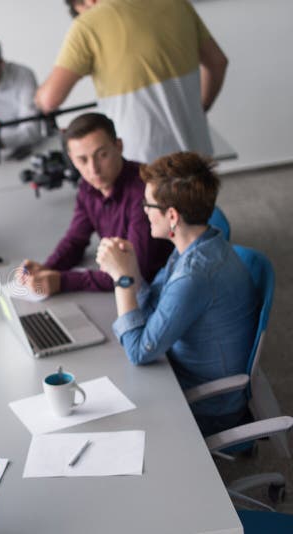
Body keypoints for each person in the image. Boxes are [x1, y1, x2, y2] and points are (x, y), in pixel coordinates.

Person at [96, 152, 258, 437]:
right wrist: (132, 271)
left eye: (147, 204)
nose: (143, 210)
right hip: (178, 372)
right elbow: (157, 306)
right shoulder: (201, 242)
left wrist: (122, 280)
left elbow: (138, 351)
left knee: (107, 417)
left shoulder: (194, 276)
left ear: (172, 215)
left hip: (206, 405)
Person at [36, 0, 229, 164]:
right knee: (201, 207)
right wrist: (203, 105)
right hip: (196, 147)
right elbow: (218, 62)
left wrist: (37, 100)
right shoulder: (178, 3)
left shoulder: (88, 24)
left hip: (142, 160)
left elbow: (49, 100)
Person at [18, 113, 172, 295]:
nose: (93, 169)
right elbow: (76, 240)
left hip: (156, 290)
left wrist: (62, 281)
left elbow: (132, 270)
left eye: (102, 155)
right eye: (82, 160)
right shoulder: (87, 187)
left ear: (119, 146)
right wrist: (46, 268)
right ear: (71, 159)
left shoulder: (144, 191)